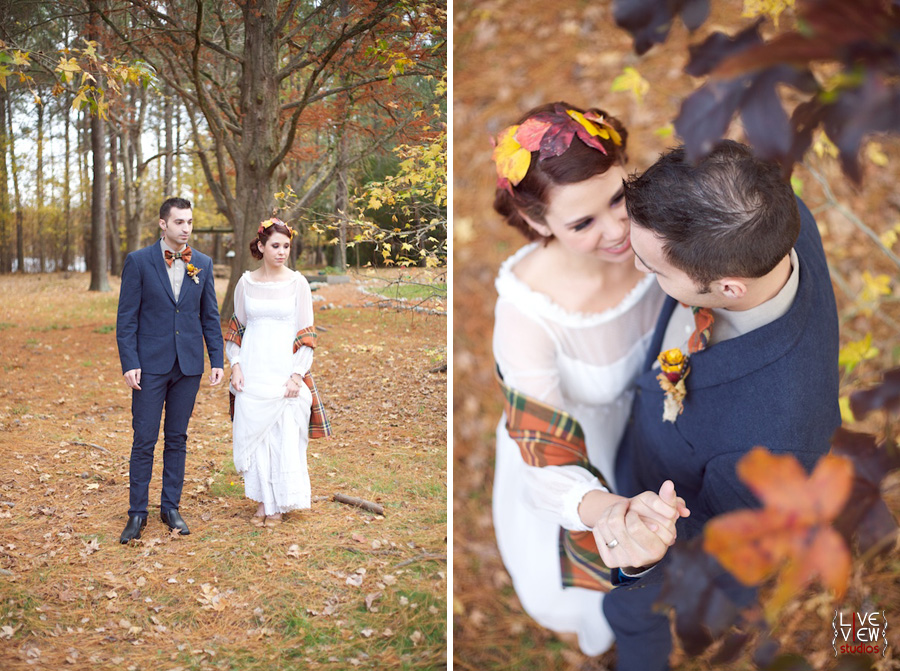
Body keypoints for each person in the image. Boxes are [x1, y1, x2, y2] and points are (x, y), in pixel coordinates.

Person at [603, 140, 841, 671]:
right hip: (645, 440)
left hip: (668, 516)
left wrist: (644, 553)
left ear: (728, 287)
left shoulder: (778, 438)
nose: (632, 260)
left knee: (633, 613)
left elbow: (725, 545)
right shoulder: (766, 213)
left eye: (652, 266)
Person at [489, 102, 688, 656]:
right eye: (582, 223)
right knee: (595, 598)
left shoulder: (660, 233)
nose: (620, 228)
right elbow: (548, 456)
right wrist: (611, 512)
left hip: (655, 430)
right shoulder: (527, 316)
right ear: (536, 223)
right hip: (581, 453)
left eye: (619, 196)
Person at [116, 197, 224, 543]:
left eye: (189, 222)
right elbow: (126, 319)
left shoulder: (202, 264)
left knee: (177, 438)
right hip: (149, 367)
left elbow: (209, 316)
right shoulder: (138, 262)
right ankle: (137, 513)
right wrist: (130, 362)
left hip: (189, 365)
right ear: (163, 224)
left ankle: (170, 507)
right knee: (144, 439)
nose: (186, 228)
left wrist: (217, 360)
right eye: (179, 222)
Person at [225, 218, 331, 527]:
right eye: (275, 246)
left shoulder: (297, 283)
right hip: (254, 369)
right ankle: (263, 503)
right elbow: (237, 331)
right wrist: (236, 365)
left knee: (282, 434)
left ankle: (278, 505)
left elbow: (306, 333)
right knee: (256, 436)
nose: (282, 251)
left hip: (284, 369)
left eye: (286, 246)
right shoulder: (245, 283)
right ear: (260, 246)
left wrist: (298, 374)